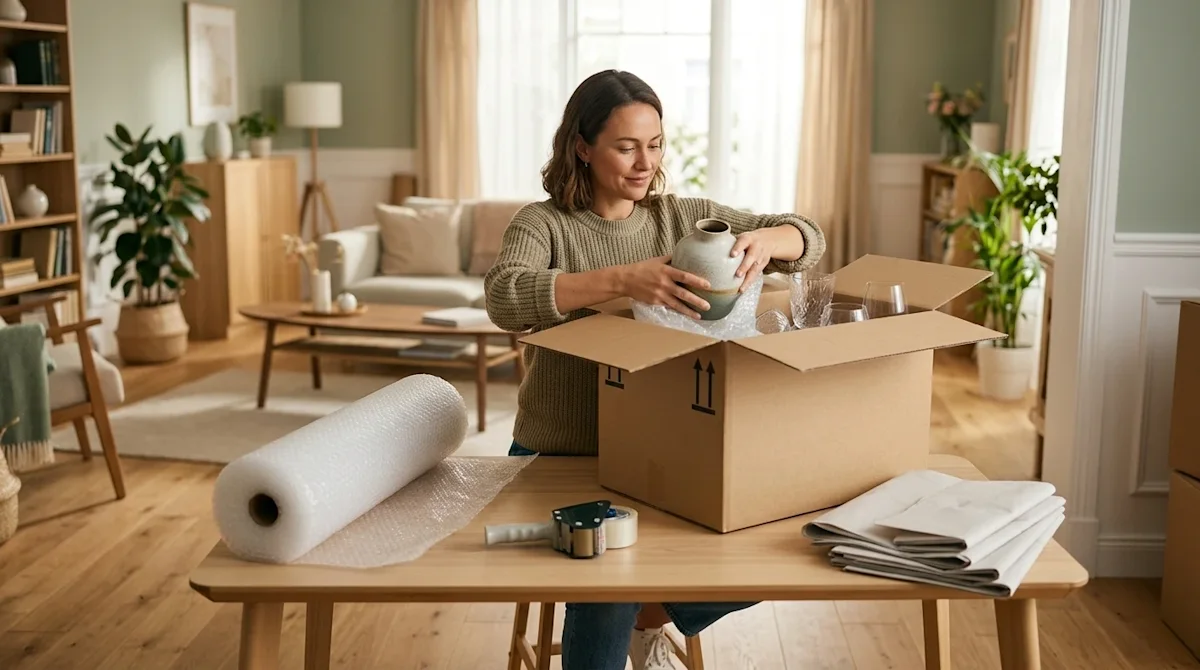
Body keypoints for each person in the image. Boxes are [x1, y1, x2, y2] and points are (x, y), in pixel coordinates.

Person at [483, 70, 827, 670]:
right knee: (607, 582)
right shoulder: (542, 225)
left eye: (656, 143)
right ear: (582, 148)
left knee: (780, 540)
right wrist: (622, 280)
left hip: (664, 458)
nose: (645, 163)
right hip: (565, 455)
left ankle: (650, 618)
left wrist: (772, 240)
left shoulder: (681, 217)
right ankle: (627, 615)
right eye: (625, 146)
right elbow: (505, 297)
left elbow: (812, 239)